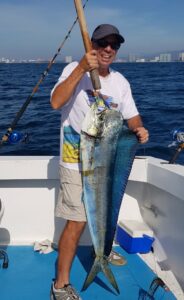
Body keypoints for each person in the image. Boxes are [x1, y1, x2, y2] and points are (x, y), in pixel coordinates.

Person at [50, 24, 149, 300]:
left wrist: (140, 129)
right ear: (91, 44)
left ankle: (101, 253)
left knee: (108, 214)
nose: (108, 49)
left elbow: (132, 117)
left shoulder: (120, 82)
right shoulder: (73, 70)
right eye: (103, 42)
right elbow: (56, 103)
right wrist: (82, 68)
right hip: (75, 163)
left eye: (114, 45)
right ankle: (60, 285)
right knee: (78, 221)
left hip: (106, 165)